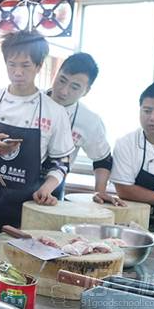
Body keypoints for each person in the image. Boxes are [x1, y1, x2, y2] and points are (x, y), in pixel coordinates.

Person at [0, 30, 75, 245]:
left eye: (25, 65)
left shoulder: (54, 111)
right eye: (12, 64)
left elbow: (61, 163)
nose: (17, 72)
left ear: (39, 66)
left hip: (27, 209)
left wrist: (47, 188)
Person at [48, 52, 125, 206]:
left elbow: (102, 159)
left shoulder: (89, 121)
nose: (64, 91)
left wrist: (100, 191)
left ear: (86, 91)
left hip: (53, 188)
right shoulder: (31, 101)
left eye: (75, 87)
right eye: (62, 80)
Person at [111, 82, 154, 226]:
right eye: (147, 110)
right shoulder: (126, 143)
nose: (153, 118)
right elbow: (123, 189)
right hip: (131, 226)